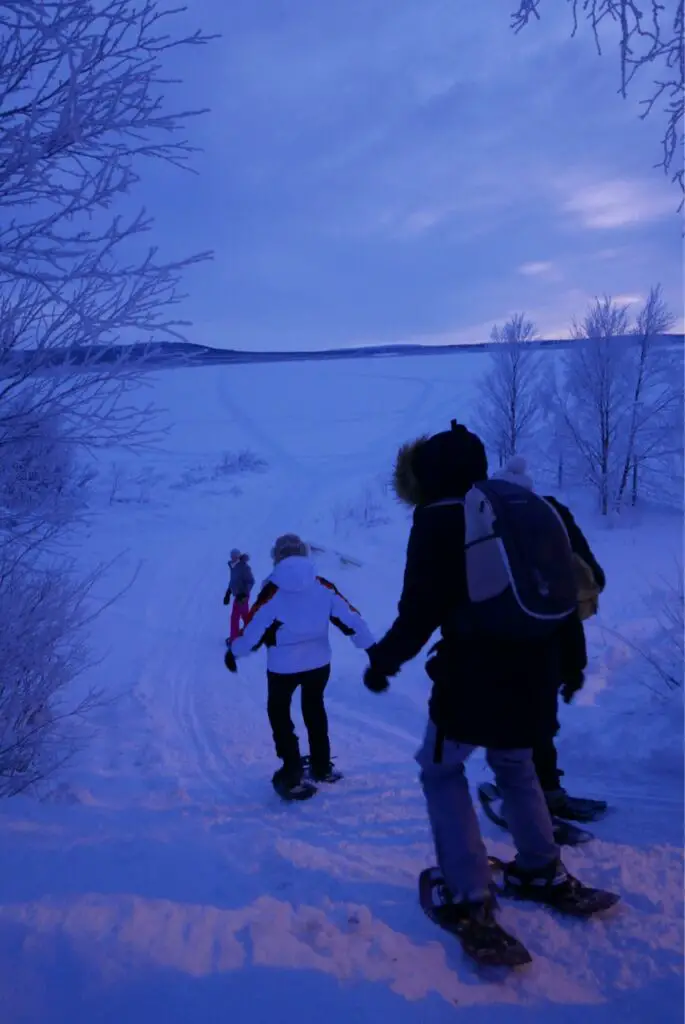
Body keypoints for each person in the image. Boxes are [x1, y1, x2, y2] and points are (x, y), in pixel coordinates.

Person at [363, 421, 600, 939]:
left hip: (472, 676)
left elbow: (419, 611)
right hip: (535, 669)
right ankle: (542, 869)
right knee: (515, 764)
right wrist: (570, 665)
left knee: (440, 769)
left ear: (424, 479)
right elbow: (563, 597)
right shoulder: (517, 507)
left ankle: (469, 894)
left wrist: (382, 662)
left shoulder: (437, 521)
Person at [491, 456, 607, 821]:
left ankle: (527, 794)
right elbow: (586, 579)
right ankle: (546, 791)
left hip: (502, 641)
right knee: (539, 717)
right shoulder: (553, 518)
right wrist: (575, 666)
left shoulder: (485, 524)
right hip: (552, 636)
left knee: (511, 721)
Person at [225, 533, 375, 796]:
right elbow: (351, 618)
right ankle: (321, 766)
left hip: (282, 668)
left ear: (278, 557)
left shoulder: (272, 592)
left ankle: (292, 769)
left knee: (279, 712)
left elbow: (252, 630)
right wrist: (371, 648)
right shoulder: (322, 586)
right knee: (314, 708)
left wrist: (234, 651)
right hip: (318, 664)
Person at [223, 549, 255, 644]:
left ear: (238, 556)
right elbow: (233, 581)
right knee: (245, 616)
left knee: (235, 617)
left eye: (235, 556)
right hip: (238, 595)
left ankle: (234, 639)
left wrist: (244, 594)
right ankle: (252, 634)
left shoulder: (244, 567)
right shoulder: (233, 566)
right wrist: (228, 592)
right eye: (232, 556)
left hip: (243, 596)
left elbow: (251, 581)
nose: (233, 558)